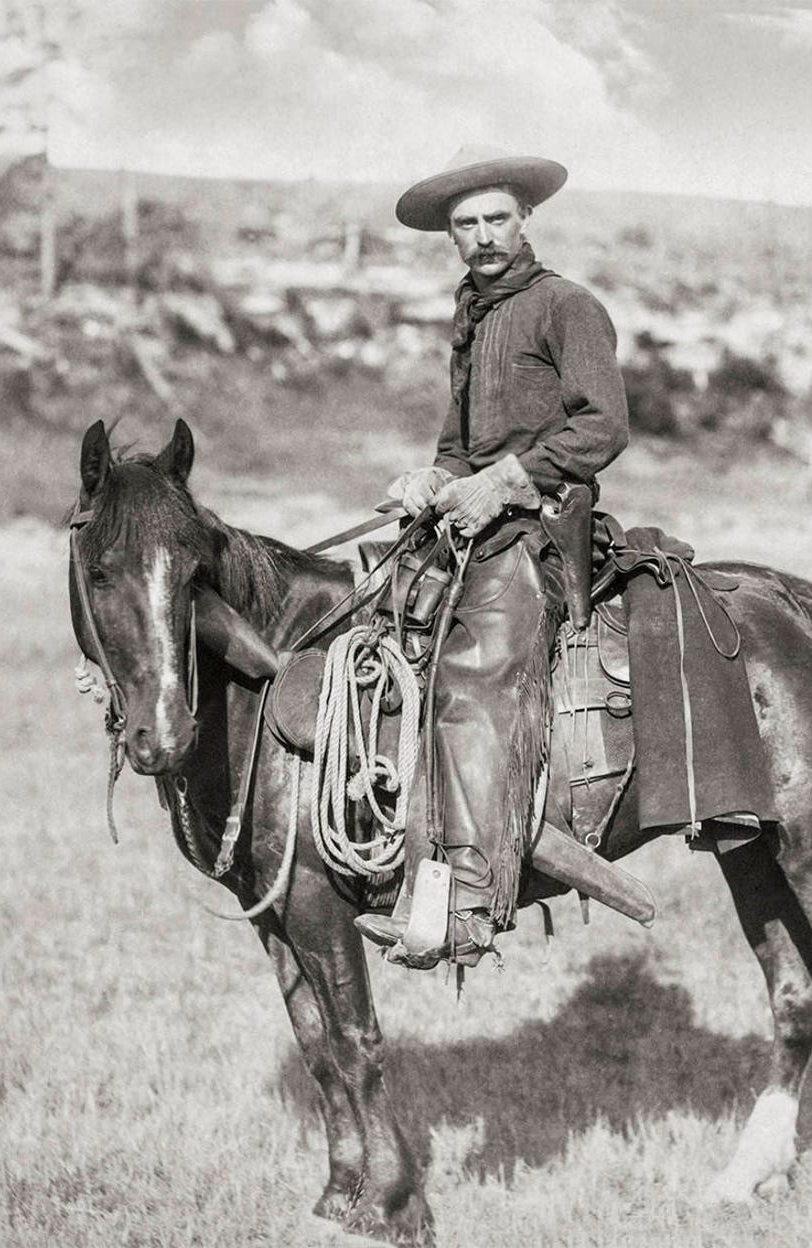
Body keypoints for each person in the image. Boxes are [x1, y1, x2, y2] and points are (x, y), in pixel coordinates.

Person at [355, 146, 629, 968]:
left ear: (526, 220)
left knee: (476, 679)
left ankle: (470, 904)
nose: (481, 236)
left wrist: (507, 481)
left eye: (495, 219)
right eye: (465, 224)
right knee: (373, 630)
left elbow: (602, 427)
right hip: (475, 523)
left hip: (542, 529)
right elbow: (457, 443)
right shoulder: (471, 315)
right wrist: (431, 477)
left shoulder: (565, 306)